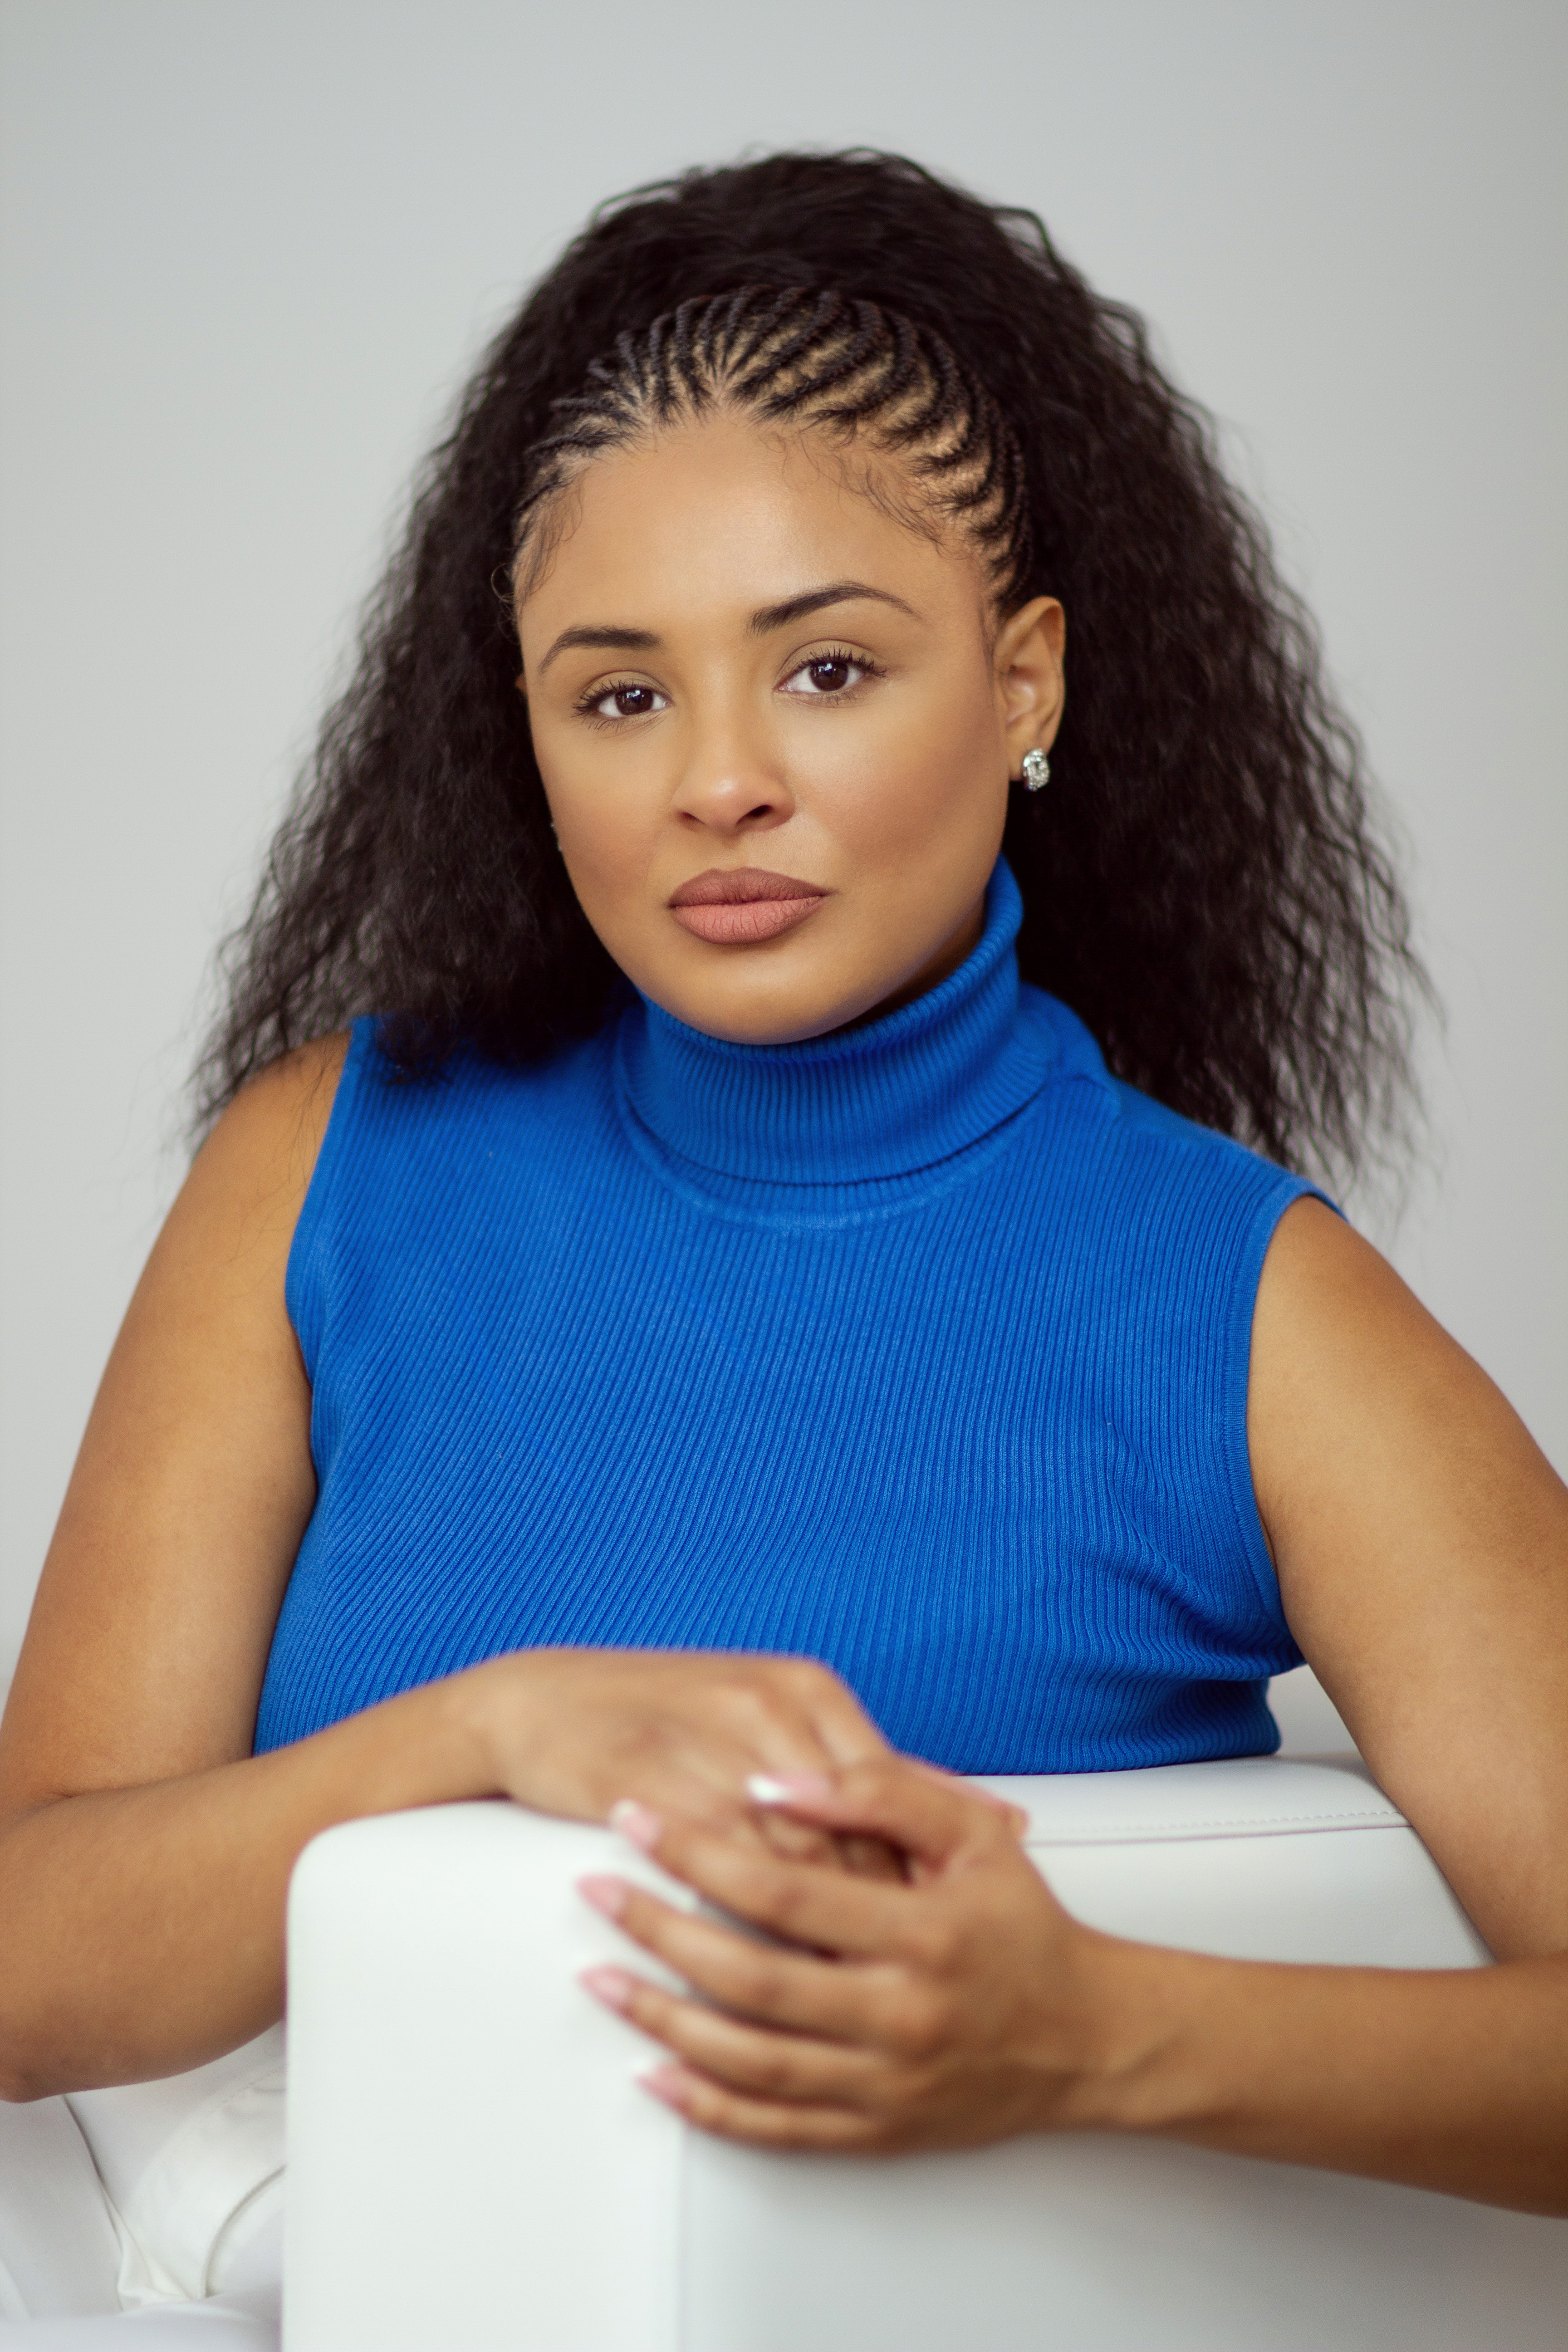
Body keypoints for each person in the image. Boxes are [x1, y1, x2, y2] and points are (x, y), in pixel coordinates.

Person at [0, 150, 1563, 2223]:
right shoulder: (323, 1169)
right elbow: (24, 1968)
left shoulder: (1255, 1316)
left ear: (1028, 686)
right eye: (621, 692)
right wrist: (478, 1739)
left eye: (826, 668)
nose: (716, 778)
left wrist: (1091, 2031)